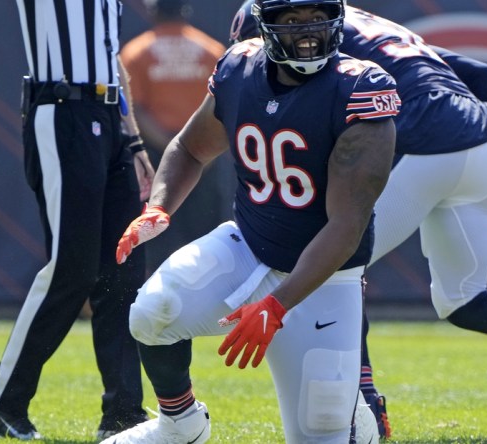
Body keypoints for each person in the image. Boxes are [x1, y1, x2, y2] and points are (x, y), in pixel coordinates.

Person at [231, 1, 487, 437]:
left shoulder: (322, 55)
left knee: (335, 264)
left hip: (426, 139)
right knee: (464, 300)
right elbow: (479, 72)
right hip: (481, 138)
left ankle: (364, 404)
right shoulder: (371, 30)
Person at [101, 0, 400, 442]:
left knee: (321, 433)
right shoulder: (239, 68)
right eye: (293, 20)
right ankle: (179, 425)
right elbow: (190, 148)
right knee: (151, 312)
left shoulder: (359, 88)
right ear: (266, 26)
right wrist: (159, 207)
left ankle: (357, 419)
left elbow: (346, 224)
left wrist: (277, 305)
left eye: (317, 18)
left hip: (324, 277)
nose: (308, 31)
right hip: (248, 246)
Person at [0, 0, 155, 440]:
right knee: (72, 268)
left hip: (110, 116)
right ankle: (3, 396)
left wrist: (131, 139)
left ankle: (124, 414)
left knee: (123, 271)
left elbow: (109, 55)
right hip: (62, 112)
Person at [120, 0, 233, 275]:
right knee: (205, 238)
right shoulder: (211, 50)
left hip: (156, 158)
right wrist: (194, 153)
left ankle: (152, 299)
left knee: (153, 234)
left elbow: (133, 109)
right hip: (204, 155)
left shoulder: (137, 52)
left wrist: (171, 149)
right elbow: (225, 108)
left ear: (153, 10)